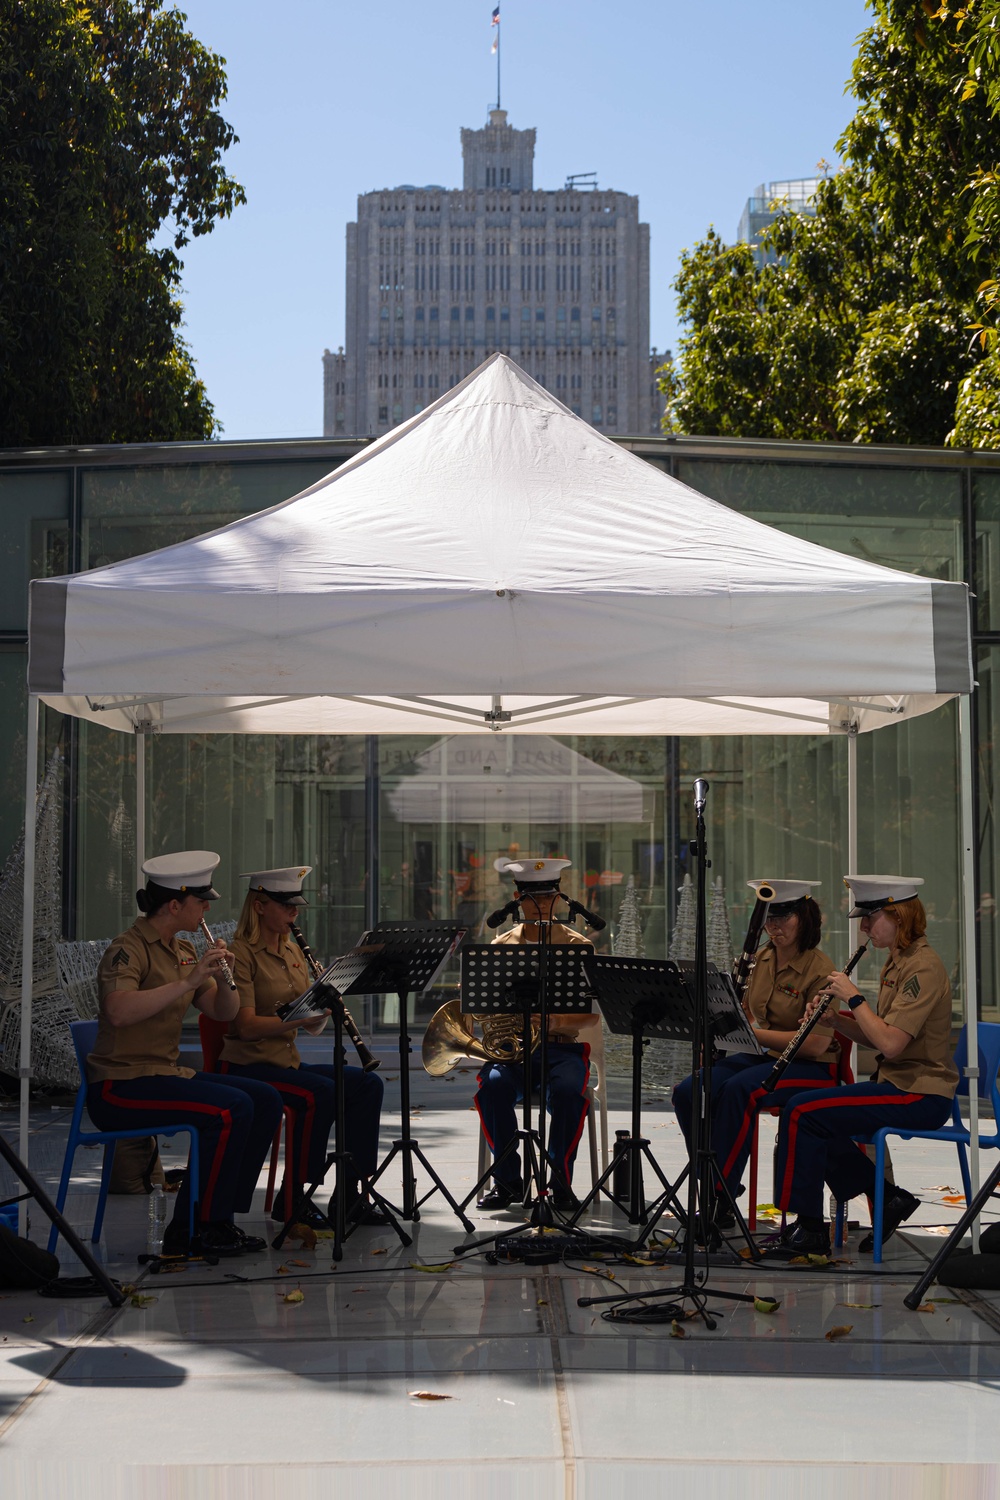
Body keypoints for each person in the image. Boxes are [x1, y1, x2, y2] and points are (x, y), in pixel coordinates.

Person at [86, 852, 283, 1257]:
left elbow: (222, 1013)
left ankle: (220, 1214)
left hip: (163, 1074)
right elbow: (119, 1011)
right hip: (120, 1084)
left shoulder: (185, 949)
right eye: (200, 901)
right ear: (174, 904)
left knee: (264, 1099)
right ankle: (196, 1227)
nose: (207, 908)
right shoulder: (127, 949)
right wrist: (189, 980)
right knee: (228, 1109)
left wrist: (225, 979)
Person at [773, 875, 958, 1255]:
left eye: (871, 917)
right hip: (898, 1085)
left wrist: (854, 997)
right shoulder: (898, 960)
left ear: (900, 916)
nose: (864, 927)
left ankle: (810, 1230)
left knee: (803, 1112)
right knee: (808, 1115)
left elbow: (890, 1045)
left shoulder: (922, 967)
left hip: (920, 1092)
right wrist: (836, 1021)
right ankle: (889, 1199)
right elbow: (882, 1034)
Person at [218, 867, 386, 1225]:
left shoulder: (293, 950)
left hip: (287, 1063)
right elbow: (245, 1027)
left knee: (366, 1085)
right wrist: (301, 1018)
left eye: (297, 905)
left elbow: (308, 1024)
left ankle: (351, 1195)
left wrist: (326, 1000)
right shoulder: (240, 953)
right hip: (249, 1065)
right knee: (319, 1093)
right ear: (260, 905)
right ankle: (294, 1197)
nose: (295, 913)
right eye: (285, 905)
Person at [671, 880, 841, 1226]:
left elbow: (817, 1044)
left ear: (805, 918)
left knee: (738, 1091)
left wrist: (751, 1033)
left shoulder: (820, 969)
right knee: (689, 1091)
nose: (774, 927)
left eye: (784, 918)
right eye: (769, 919)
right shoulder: (761, 958)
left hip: (809, 1066)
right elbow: (746, 1012)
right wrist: (720, 1031)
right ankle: (716, 1183)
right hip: (766, 1058)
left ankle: (720, 1197)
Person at [475, 857, 599, 1213]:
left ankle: (558, 1181)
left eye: (548, 898)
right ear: (517, 898)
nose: (541, 905)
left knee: (567, 1092)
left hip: (561, 1050)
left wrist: (552, 1020)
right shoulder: (498, 947)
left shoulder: (579, 946)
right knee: (493, 1087)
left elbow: (589, 1017)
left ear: (559, 897)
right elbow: (483, 1012)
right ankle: (507, 1181)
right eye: (533, 899)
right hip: (513, 1051)